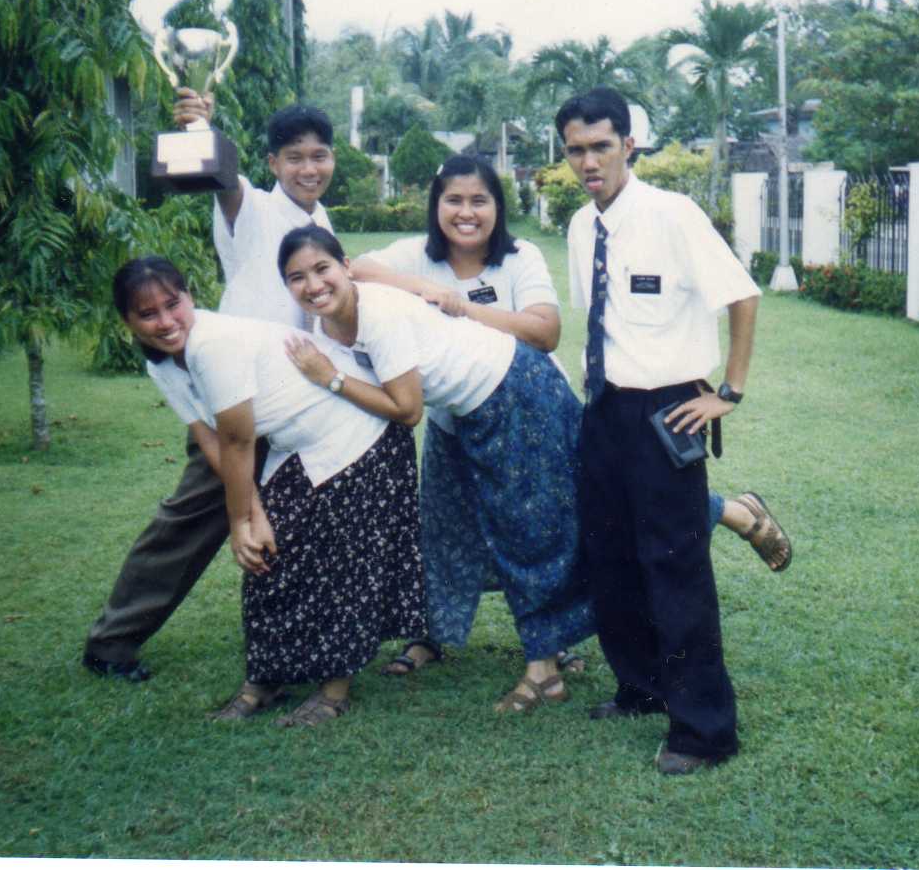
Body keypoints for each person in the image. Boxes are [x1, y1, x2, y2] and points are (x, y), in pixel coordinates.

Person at [349, 156, 790, 678]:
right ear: (435, 205)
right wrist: (422, 288)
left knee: (571, 515)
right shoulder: (415, 258)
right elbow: (356, 269)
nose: (466, 213)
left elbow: (544, 332)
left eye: (479, 201)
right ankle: (431, 635)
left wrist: (461, 308)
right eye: (453, 200)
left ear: (498, 207)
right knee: (445, 525)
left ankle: (729, 515)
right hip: (454, 415)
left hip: (530, 412)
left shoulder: (519, 258)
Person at [279, 225, 595, 713]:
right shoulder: (327, 324)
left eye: (323, 269)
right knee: (512, 521)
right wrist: (421, 287)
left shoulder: (376, 316)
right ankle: (734, 514)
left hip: (517, 392)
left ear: (343, 266)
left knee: (532, 529)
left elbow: (407, 411)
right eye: (297, 278)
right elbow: (365, 269)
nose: (313, 285)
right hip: (475, 410)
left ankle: (544, 673)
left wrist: (332, 378)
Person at [81, 96, 339, 682]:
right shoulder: (253, 211)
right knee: (192, 523)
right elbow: (224, 177)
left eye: (319, 157)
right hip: (232, 403)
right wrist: (200, 124)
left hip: (294, 403)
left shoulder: (319, 221)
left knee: (311, 518)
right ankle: (113, 640)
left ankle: (317, 638)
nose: (308, 169)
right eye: (294, 158)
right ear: (272, 164)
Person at [113, 256, 426, 725]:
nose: (165, 321)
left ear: (189, 298)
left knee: (341, 565)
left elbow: (240, 440)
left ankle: (333, 690)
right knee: (269, 561)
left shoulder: (210, 344)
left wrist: (242, 520)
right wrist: (252, 512)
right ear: (128, 322)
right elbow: (211, 439)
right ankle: (265, 680)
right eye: (148, 314)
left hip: (360, 437)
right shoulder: (160, 360)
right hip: (298, 444)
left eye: (172, 305)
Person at [560, 87, 761, 776]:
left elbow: (742, 293)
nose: (589, 161)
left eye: (600, 146)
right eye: (575, 150)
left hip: (667, 408)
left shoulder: (673, 215)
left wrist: (727, 391)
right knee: (612, 559)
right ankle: (641, 687)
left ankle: (705, 730)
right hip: (606, 408)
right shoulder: (581, 225)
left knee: (675, 565)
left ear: (629, 145)